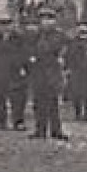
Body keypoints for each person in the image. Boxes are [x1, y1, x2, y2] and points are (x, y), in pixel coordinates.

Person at [27, 9, 68, 140]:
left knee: (53, 103)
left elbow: (56, 49)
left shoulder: (58, 35)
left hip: (52, 72)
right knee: (39, 102)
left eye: (49, 19)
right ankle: (40, 129)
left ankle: (56, 130)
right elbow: (29, 49)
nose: (45, 22)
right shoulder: (35, 35)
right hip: (38, 72)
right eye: (43, 19)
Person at [64, 21, 87, 121]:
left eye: (85, 31)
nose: (83, 34)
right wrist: (67, 68)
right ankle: (78, 113)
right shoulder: (73, 43)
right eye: (81, 31)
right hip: (76, 70)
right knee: (76, 93)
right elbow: (68, 56)